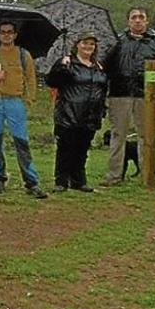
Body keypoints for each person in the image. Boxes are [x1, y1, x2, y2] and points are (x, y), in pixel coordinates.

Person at [101, 7, 155, 186]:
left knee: (146, 135)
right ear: (128, 21)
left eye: (142, 17)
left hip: (147, 97)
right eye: (134, 17)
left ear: (147, 21)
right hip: (120, 95)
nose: (138, 20)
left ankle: (148, 175)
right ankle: (114, 176)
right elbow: (104, 67)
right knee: (118, 135)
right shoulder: (117, 42)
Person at [0, 21, 47, 198]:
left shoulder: (24, 55)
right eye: (3, 32)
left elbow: (31, 79)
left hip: (16, 101)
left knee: (21, 142)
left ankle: (31, 181)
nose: (6, 35)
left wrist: (28, 100)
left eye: (10, 32)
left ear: (15, 35)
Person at [45, 31, 108, 193]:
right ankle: (61, 181)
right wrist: (62, 68)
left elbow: (103, 88)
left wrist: (102, 109)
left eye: (92, 44)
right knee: (66, 148)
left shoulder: (98, 67)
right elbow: (51, 81)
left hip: (91, 115)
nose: (88, 47)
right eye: (84, 43)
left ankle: (78, 180)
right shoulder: (67, 62)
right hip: (69, 113)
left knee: (83, 149)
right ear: (77, 45)